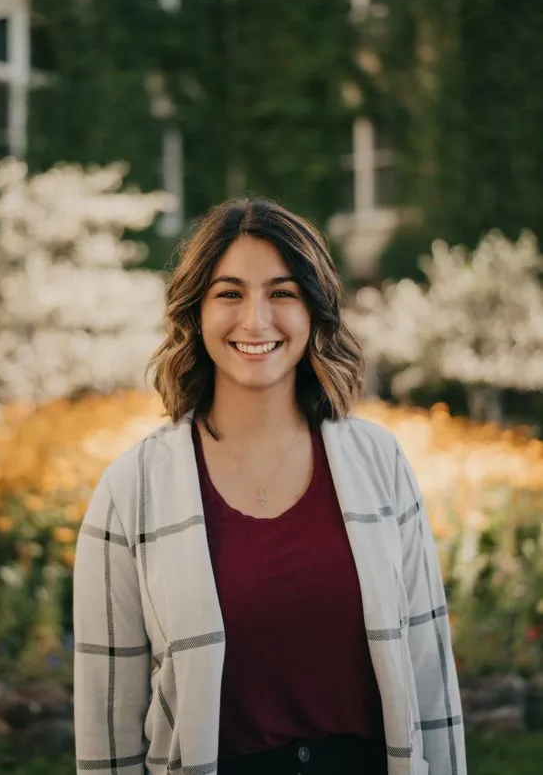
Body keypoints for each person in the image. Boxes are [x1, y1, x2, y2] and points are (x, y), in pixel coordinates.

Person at [73, 198, 466, 775]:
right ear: (195, 312)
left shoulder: (379, 462)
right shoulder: (132, 490)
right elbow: (108, 732)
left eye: (282, 293)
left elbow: (430, 677)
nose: (255, 320)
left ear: (314, 310)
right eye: (229, 293)